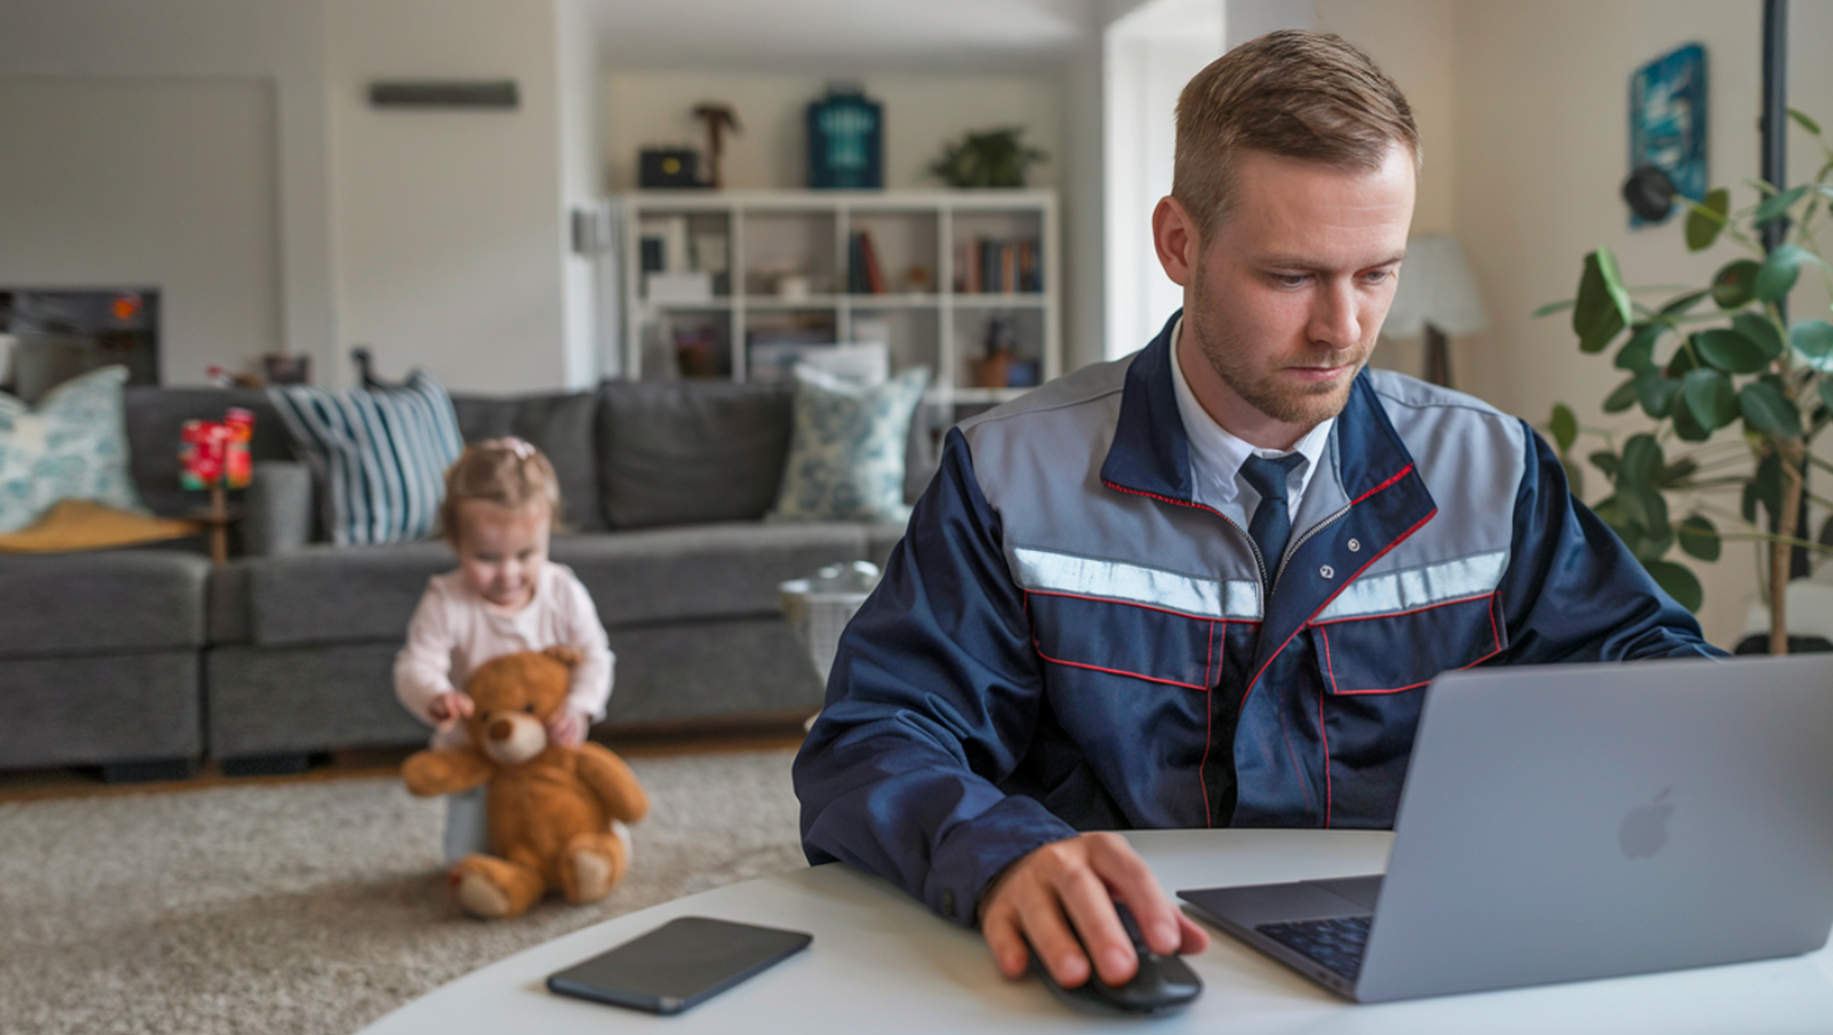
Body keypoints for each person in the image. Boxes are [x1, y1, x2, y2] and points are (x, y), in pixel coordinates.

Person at [794, 30, 1724, 994]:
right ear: (1179, 243)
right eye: (1291, 276)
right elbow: (875, 737)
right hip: (1127, 969)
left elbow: (1650, 674)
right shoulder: (1007, 472)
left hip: (1420, 971)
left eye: (1377, 272)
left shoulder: (1494, 468)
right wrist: (1001, 854)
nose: (1344, 327)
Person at [394, 437, 615, 863]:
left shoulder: (562, 590)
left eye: (526, 553)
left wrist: (578, 706)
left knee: (583, 814)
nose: (509, 573)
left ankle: (587, 855)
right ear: (456, 543)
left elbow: (595, 657)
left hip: (550, 748)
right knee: (466, 855)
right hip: (475, 753)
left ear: (547, 530)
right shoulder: (446, 599)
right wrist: (435, 695)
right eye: (488, 557)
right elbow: (414, 665)